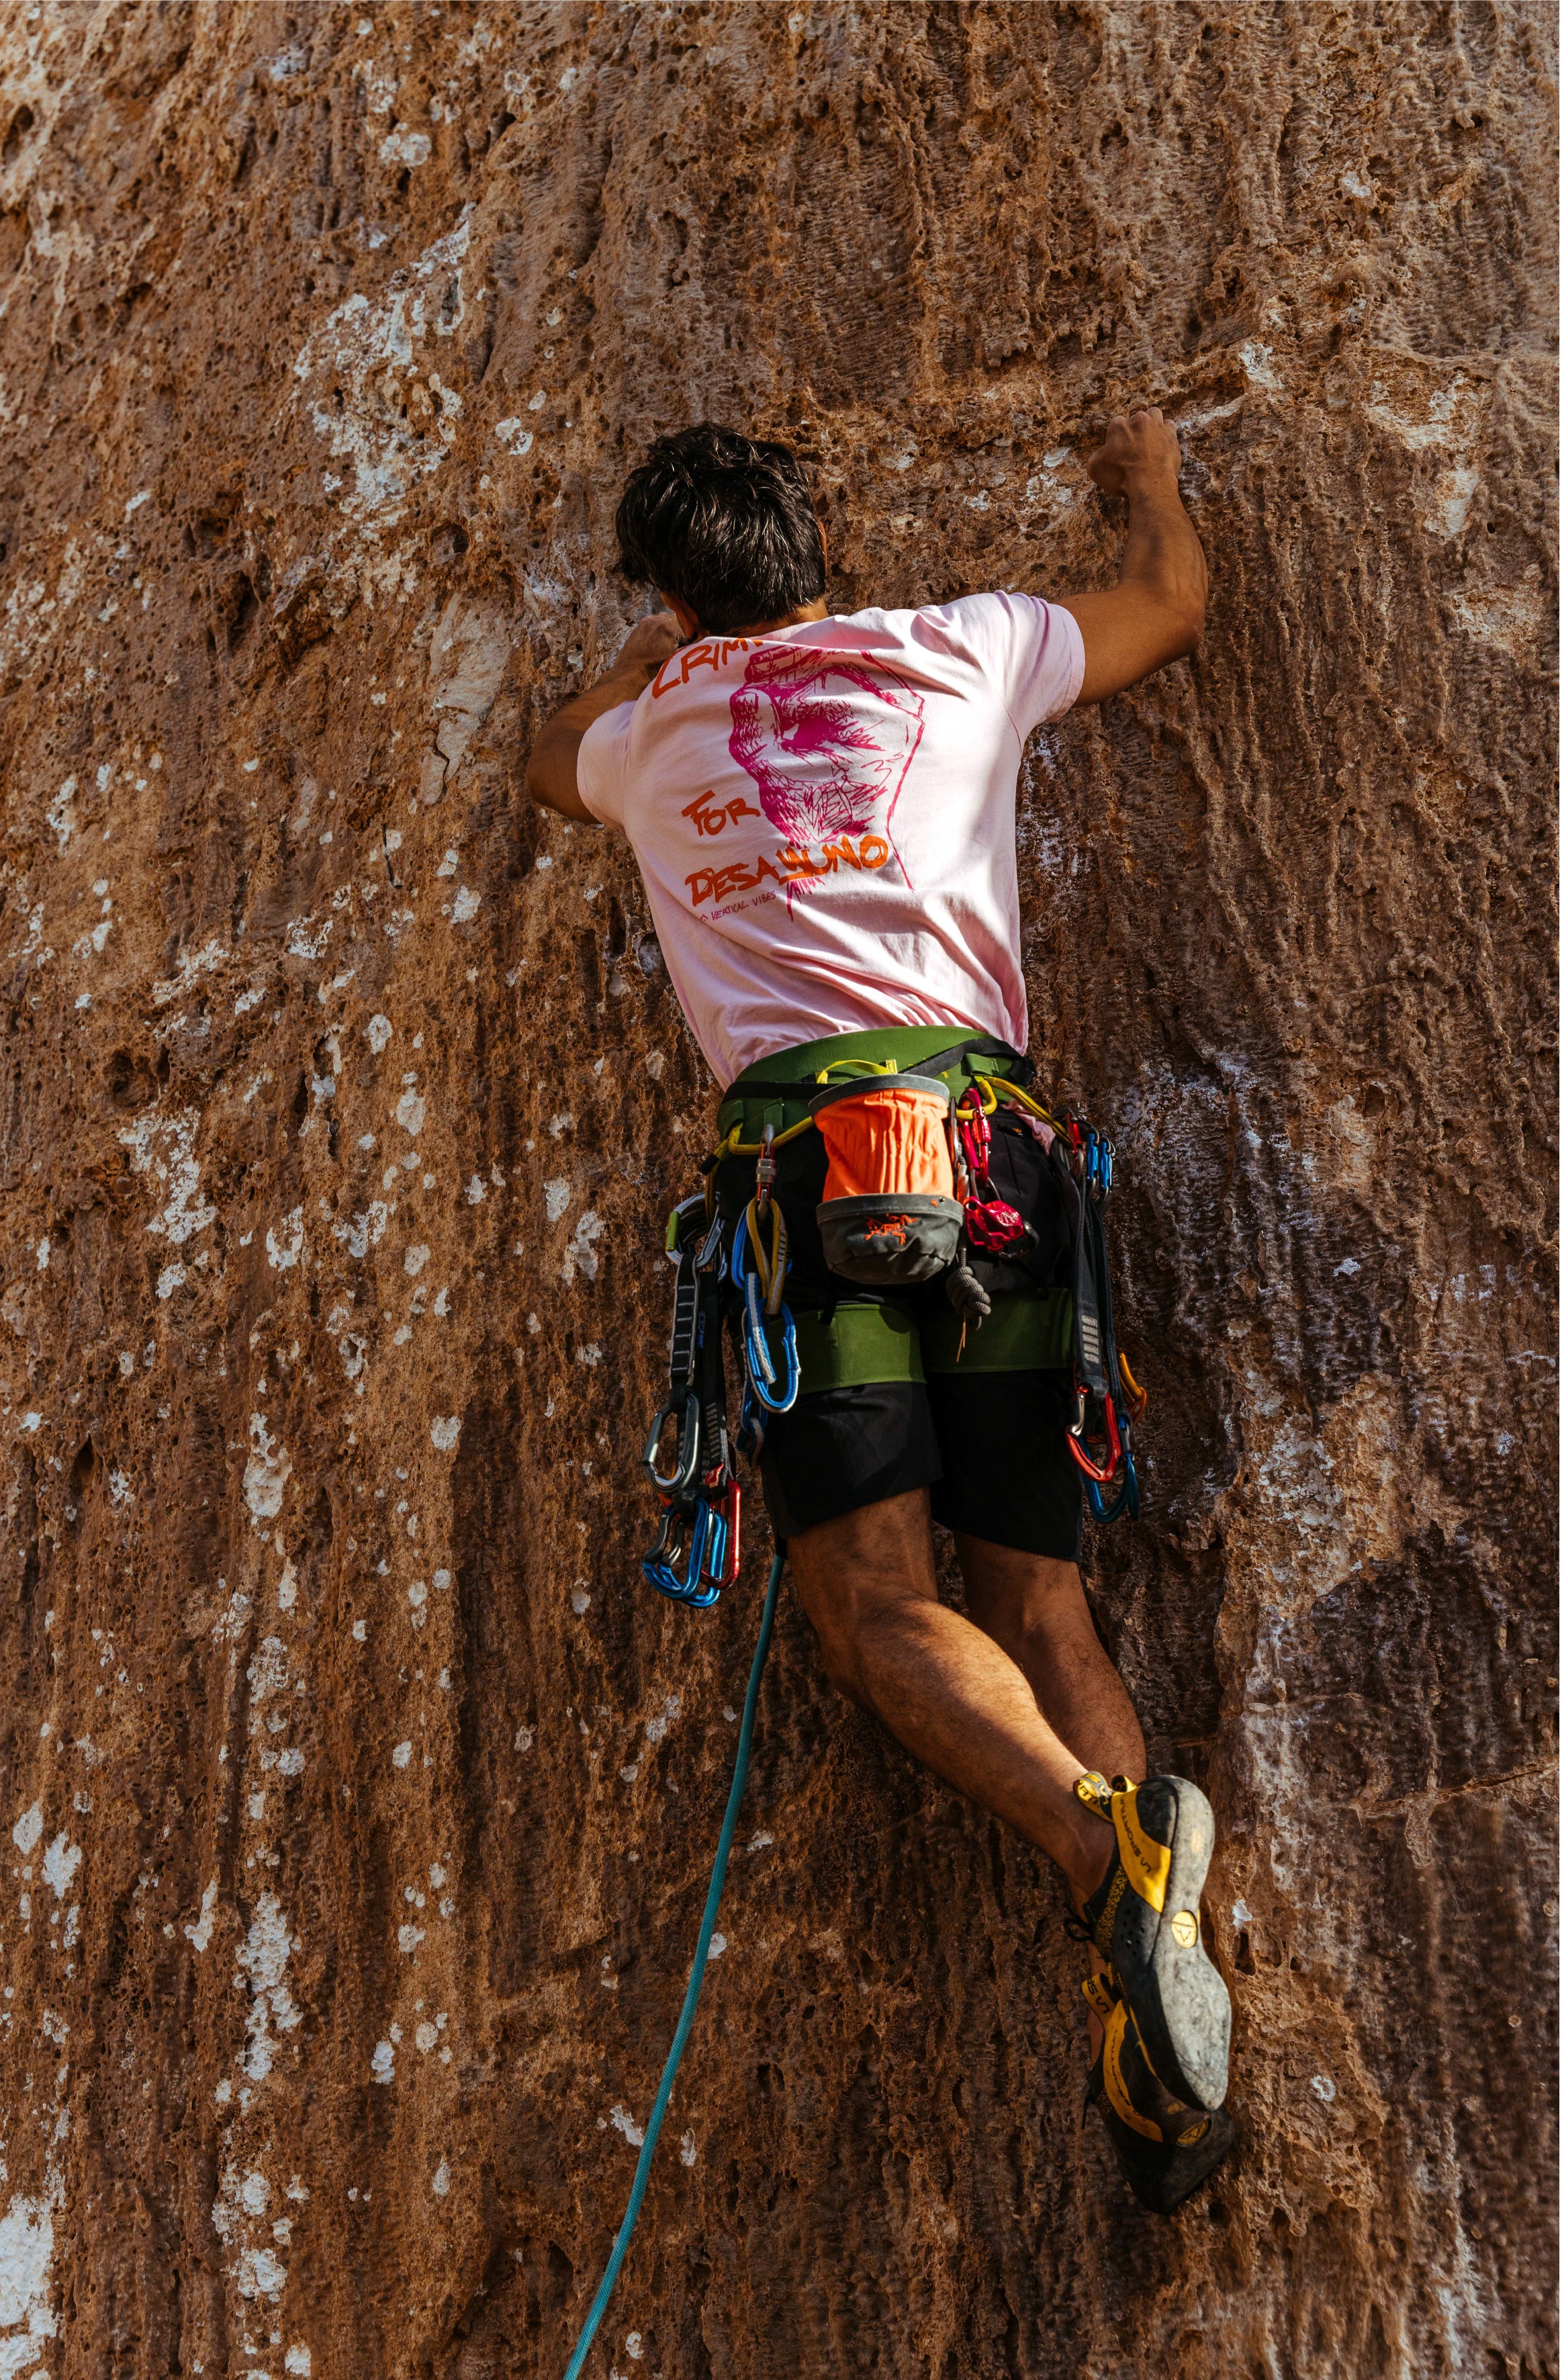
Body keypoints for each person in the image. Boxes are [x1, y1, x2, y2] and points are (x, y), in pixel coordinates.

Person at [526, 415, 1234, 2211]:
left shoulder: (649, 735)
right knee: (1043, 1599)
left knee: (871, 1604)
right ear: (818, 545)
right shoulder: (964, 646)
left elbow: (548, 762)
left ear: (678, 593)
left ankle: (1103, 1862)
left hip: (810, 1188)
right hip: (997, 1161)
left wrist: (648, 653)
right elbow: (1166, 601)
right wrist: (1141, 471)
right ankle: (1158, 2050)